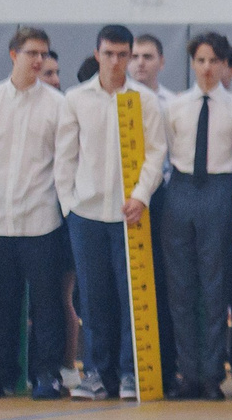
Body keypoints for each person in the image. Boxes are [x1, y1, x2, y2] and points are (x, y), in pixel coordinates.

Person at [55, 25, 166, 400]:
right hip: (85, 215)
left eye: (123, 55)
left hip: (130, 213)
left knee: (130, 296)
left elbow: (155, 153)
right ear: (97, 53)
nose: (116, 62)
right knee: (93, 297)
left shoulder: (145, 101)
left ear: (131, 56)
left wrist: (141, 196)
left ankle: (131, 372)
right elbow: (65, 158)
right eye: (109, 54)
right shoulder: (75, 99)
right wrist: (70, 205)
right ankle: (97, 374)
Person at [157, 33, 232, 399]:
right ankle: (187, 373)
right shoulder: (174, 106)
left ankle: (211, 375)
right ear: (192, 63)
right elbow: (161, 153)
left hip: (221, 190)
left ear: (225, 65)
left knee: (214, 286)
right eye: (201, 60)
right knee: (180, 288)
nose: (207, 68)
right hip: (181, 189)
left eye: (214, 61)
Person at [0, 27, 70, 399]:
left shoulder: (57, 105)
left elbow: (64, 165)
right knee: (3, 305)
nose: (39, 60)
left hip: (42, 219)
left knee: (46, 305)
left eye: (43, 53)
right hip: (0, 222)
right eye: (31, 53)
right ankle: (4, 374)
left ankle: (47, 374)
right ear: (14, 55)